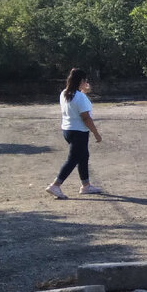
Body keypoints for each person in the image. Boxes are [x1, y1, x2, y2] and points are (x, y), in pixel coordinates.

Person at [45, 68, 103, 199]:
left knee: (83, 156)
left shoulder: (65, 93)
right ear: (81, 81)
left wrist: (84, 92)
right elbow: (86, 117)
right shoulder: (80, 97)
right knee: (73, 159)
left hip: (68, 130)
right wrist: (96, 133)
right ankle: (55, 185)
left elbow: (76, 104)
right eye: (85, 80)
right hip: (79, 132)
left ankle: (86, 185)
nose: (86, 82)